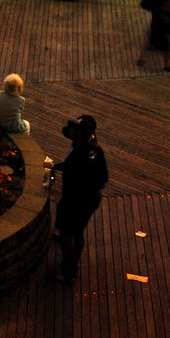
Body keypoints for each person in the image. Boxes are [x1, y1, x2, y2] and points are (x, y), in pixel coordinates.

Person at [50, 115, 108, 285]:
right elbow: (104, 179)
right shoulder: (96, 151)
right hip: (90, 201)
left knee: (67, 233)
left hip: (74, 200)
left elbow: (70, 168)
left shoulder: (79, 153)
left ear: (80, 134)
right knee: (78, 232)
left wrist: (53, 168)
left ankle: (67, 272)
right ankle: (73, 266)